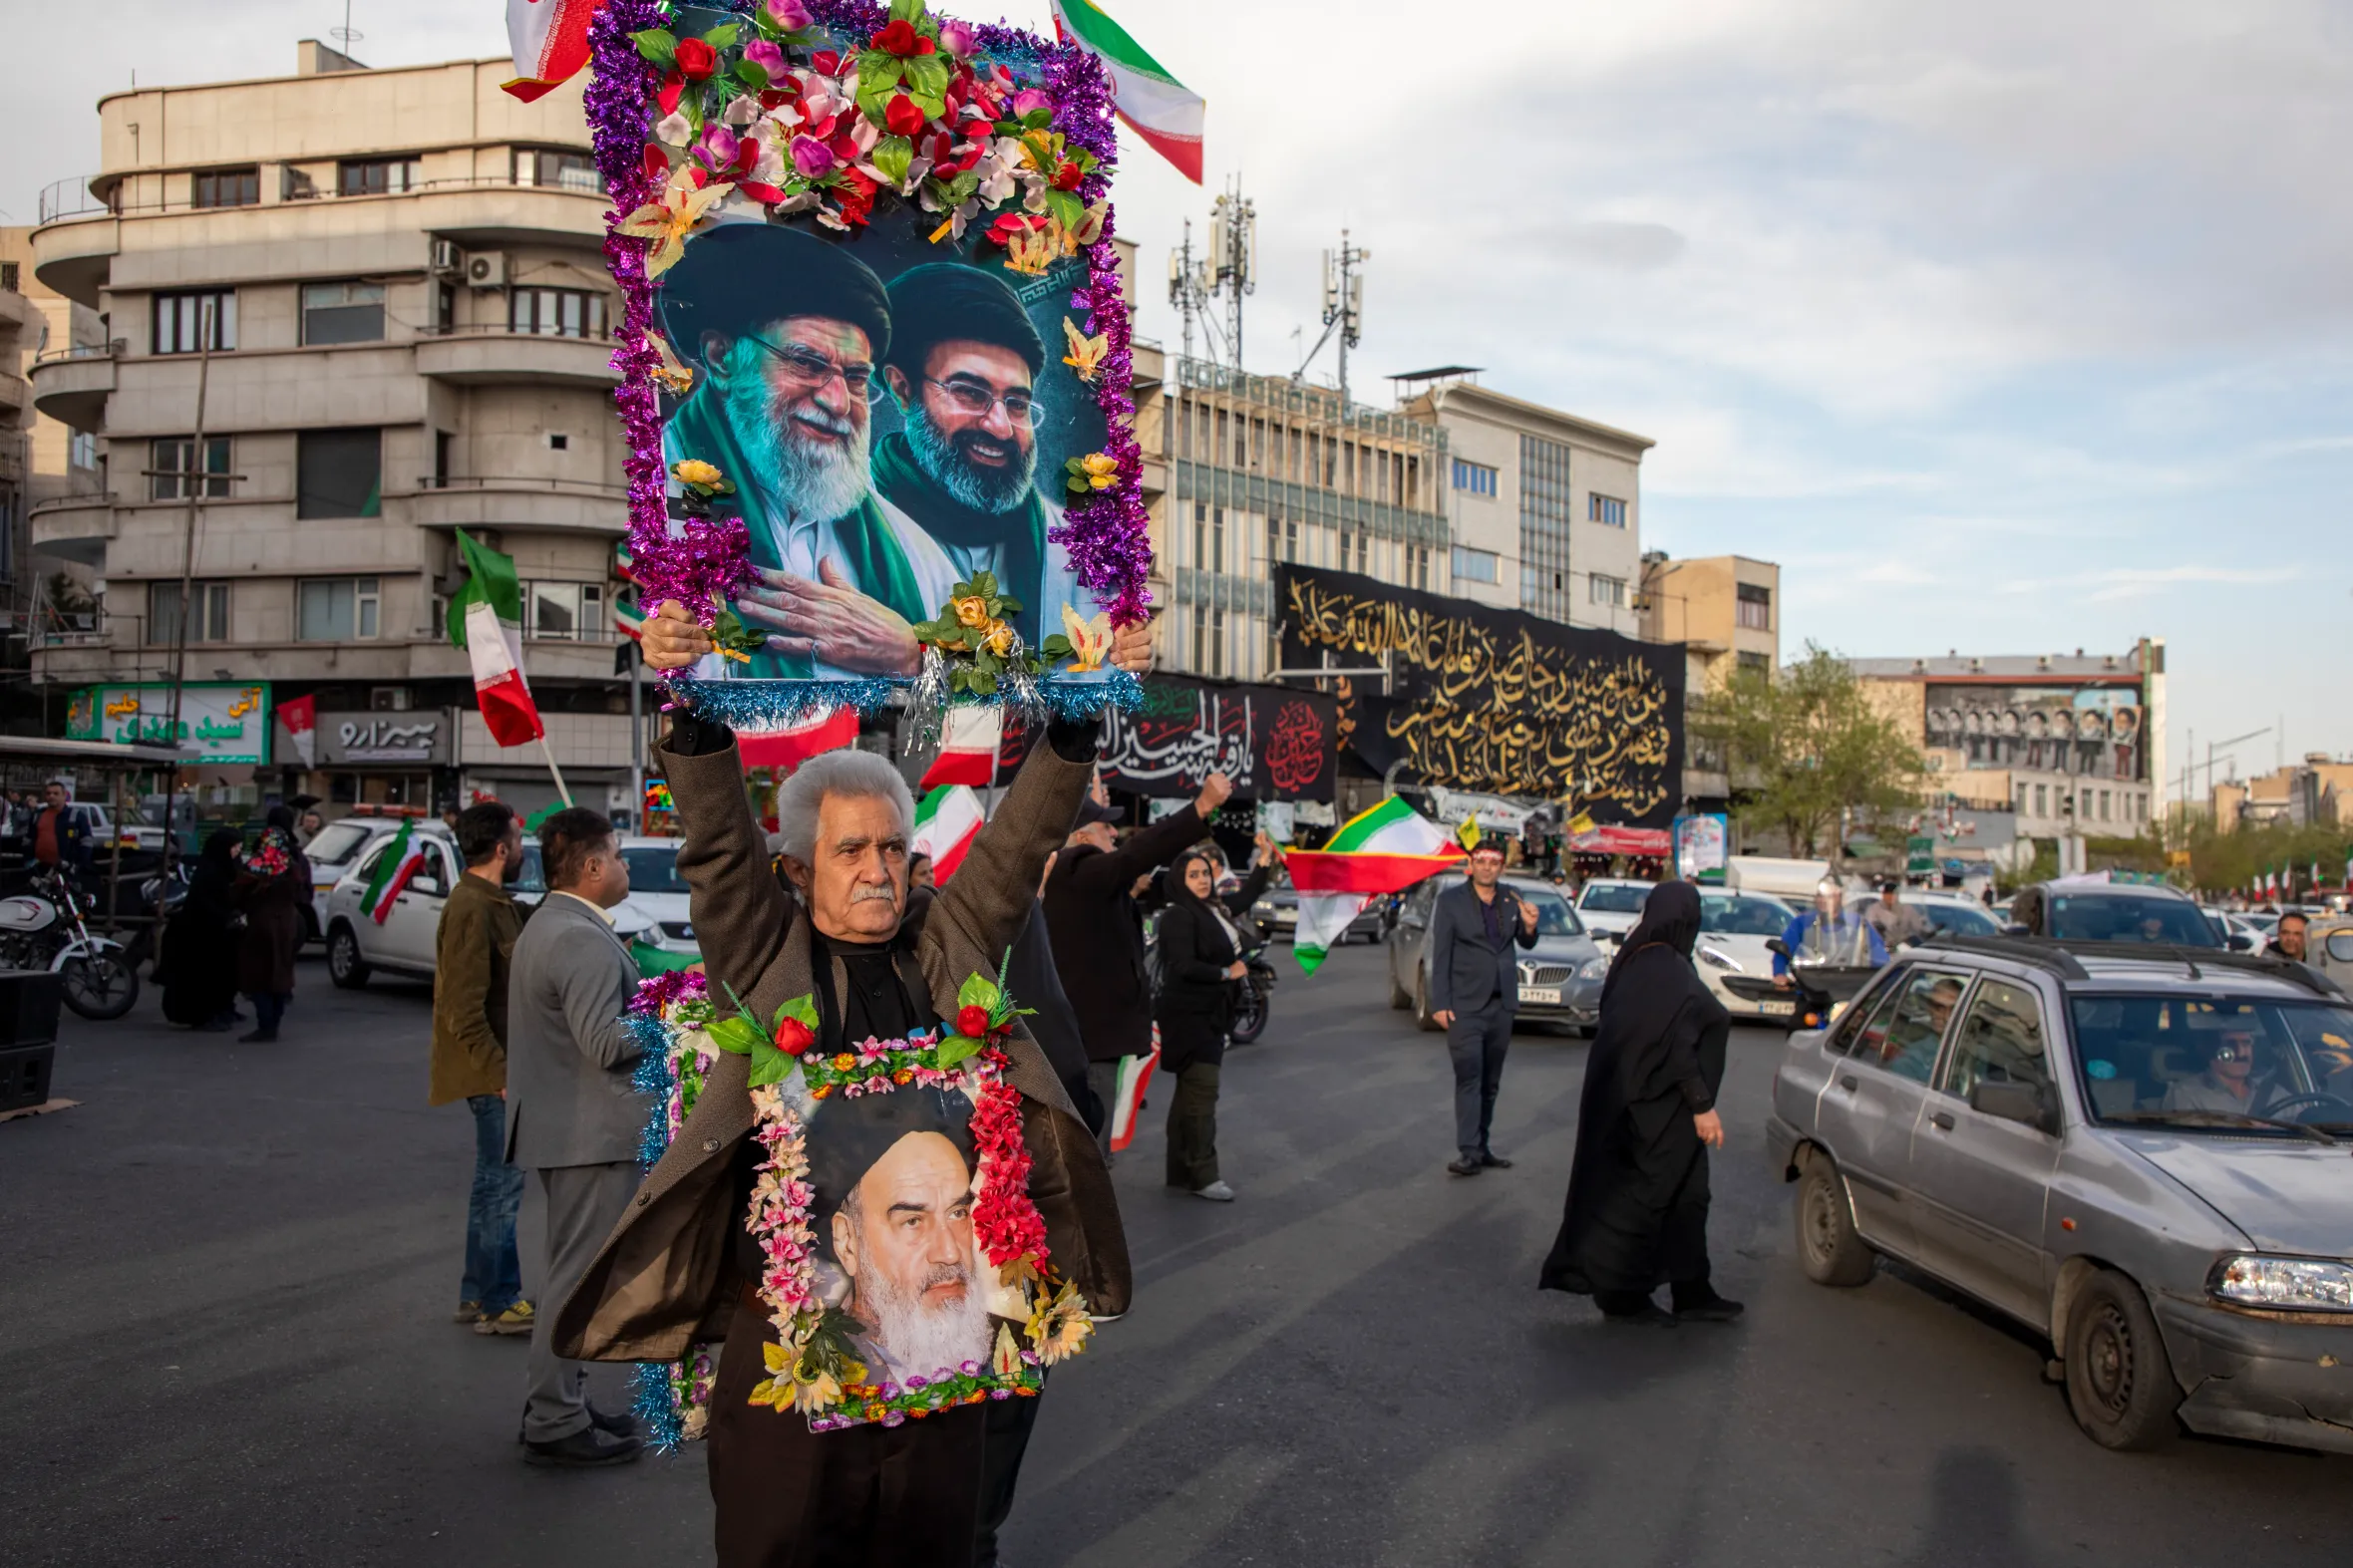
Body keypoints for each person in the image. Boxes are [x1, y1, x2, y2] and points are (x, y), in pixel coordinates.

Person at [552, 598, 1144, 1566]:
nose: (876, 870)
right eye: (847, 850)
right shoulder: (767, 957)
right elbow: (714, 850)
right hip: (793, 1375)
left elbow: (1013, 847)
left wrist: (1076, 713)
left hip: (937, 1369)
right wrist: (691, 704)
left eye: (889, 850)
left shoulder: (945, 949)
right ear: (795, 868)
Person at [658, 223, 957, 678]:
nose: (837, 402)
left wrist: (913, 654)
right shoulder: (663, 492)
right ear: (722, 358)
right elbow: (637, 620)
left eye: (855, 378)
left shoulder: (910, 548)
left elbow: (996, 674)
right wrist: (660, 640)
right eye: (806, 363)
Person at [505, 807, 646, 1467]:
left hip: (566, 1126)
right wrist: (675, 1017)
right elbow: (606, 1043)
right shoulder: (580, 938)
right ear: (591, 866)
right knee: (575, 1279)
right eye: (617, 856)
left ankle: (561, 1400)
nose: (622, 866)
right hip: (589, 1131)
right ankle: (555, 1417)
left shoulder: (552, 923)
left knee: (572, 1273)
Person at [873, 263, 1109, 647]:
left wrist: (1128, 652)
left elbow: (1090, 678)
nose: (1000, 427)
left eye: (1017, 403)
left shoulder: (1071, 548)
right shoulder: (849, 525)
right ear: (903, 390)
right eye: (969, 392)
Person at [1538, 881, 1741, 1326]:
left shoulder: (1640, 957)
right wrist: (1702, 1106)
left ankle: (1693, 1289)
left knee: (1690, 1198)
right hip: (1656, 1113)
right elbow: (1677, 1046)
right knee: (1645, 1200)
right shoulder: (1663, 968)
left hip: (1644, 1104)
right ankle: (1621, 1294)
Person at [1042, 774, 1234, 1159]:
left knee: (1089, 1149)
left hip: (1091, 1038)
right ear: (1081, 837)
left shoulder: (1090, 883)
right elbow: (1136, 854)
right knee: (1088, 1156)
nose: (1114, 832)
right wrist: (1201, 807)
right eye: (1105, 825)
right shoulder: (1077, 866)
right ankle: (1091, 1218)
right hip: (1089, 1040)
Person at [430, 802, 533, 1338]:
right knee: (500, 1188)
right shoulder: (471, 906)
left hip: (496, 1069)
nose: (521, 850)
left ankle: (477, 1293)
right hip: (494, 1073)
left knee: (489, 1185)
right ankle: (498, 1300)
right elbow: (461, 1008)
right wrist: (502, 1072)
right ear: (500, 849)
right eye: (517, 841)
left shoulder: (491, 900)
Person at [1152, 838, 1280, 1201]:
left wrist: (1264, 863)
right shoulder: (1179, 915)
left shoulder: (1213, 909)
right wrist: (1227, 972)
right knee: (1202, 1095)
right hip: (1191, 1019)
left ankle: (1180, 1169)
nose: (1203, 880)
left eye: (1206, 873)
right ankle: (1204, 1175)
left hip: (1210, 1016)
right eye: (1193, 875)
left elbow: (1246, 897)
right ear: (1180, 880)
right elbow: (1184, 966)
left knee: (1188, 1096)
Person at [1427, 837, 1540, 1177]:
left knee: (1491, 1081)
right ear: (1471, 865)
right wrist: (1440, 1002)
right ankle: (1468, 1151)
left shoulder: (1511, 897)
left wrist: (1531, 925)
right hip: (1465, 1006)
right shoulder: (1450, 901)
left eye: (1493, 862)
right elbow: (1441, 953)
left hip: (1501, 1004)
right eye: (1481, 861)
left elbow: (1524, 941)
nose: (1487, 867)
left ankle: (1483, 1145)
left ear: (1501, 867)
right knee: (1469, 1077)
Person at [233, 807, 310, 1043]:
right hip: (288, 922)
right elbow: (302, 893)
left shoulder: (257, 866)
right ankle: (273, 1022)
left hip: (261, 924)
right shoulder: (293, 863)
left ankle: (266, 1025)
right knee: (281, 973)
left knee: (259, 975)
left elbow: (239, 892)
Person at [158, 829, 242, 1031]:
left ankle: (220, 1010)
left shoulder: (223, 868)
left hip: (219, 931)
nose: (237, 851)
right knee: (203, 977)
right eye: (234, 847)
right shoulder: (208, 872)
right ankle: (203, 1016)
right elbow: (204, 903)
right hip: (201, 933)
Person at [1774, 877, 1887, 982]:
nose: (1823, 900)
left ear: (1839, 897)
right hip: (1811, 989)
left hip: (1848, 989)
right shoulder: (1802, 922)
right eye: (1820, 896)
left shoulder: (1858, 924)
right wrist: (1779, 974)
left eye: (1829, 896)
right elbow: (1782, 950)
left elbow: (1880, 957)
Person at [2164, 1022, 2287, 1114]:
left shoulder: (2275, 1094)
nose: (2241, 1053)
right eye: (2230, 1045)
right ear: (2211, 1051)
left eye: (2246, 1043)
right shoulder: (2186, 1094)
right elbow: (2185, 1141)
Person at [30, 780, 96, 875]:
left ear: (64, 795)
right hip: (40, 869)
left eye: (56, 793)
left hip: (66, 869)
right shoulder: (38, 815)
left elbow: (86, 841)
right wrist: (28, 861)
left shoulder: (76, 816)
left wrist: (79, 865)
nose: (51, 796)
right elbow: (29, 839)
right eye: (48, 793)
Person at [1863, 880, 1932, 951]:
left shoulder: (1907, 909)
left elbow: (1918, 927)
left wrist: (1928, 932)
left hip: (1905, 945)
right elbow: (1870, 927)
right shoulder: (1874, 910)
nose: (1891, 897)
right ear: (1883, 895)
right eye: (1888, 895)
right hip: (1883, 947)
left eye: (1894, 894)